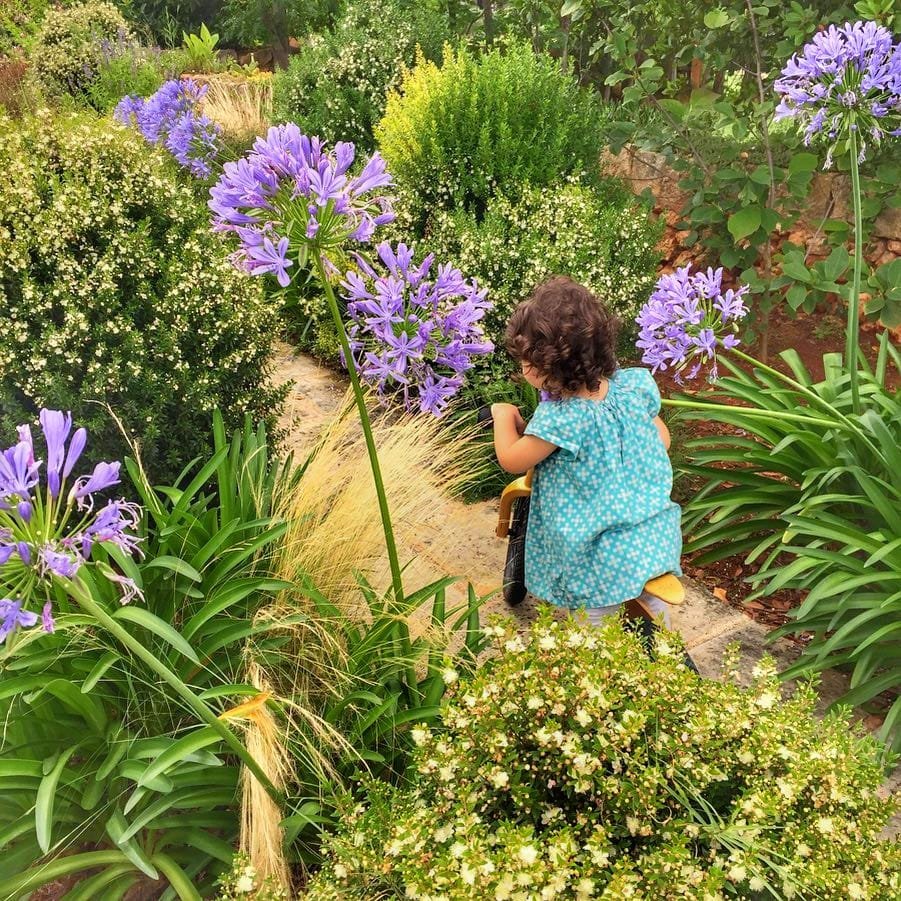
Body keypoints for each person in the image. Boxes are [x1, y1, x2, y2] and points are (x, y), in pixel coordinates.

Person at [491, 276, 683, 628]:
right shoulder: (630, 388)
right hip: (654, 537)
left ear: (542, 367)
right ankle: (663, 651)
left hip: (598, 557)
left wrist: (502, 417)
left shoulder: (562, 419)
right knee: (655, 617)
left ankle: (597, 660)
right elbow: (663, 442)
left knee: (593, 630)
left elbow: (511, 459)